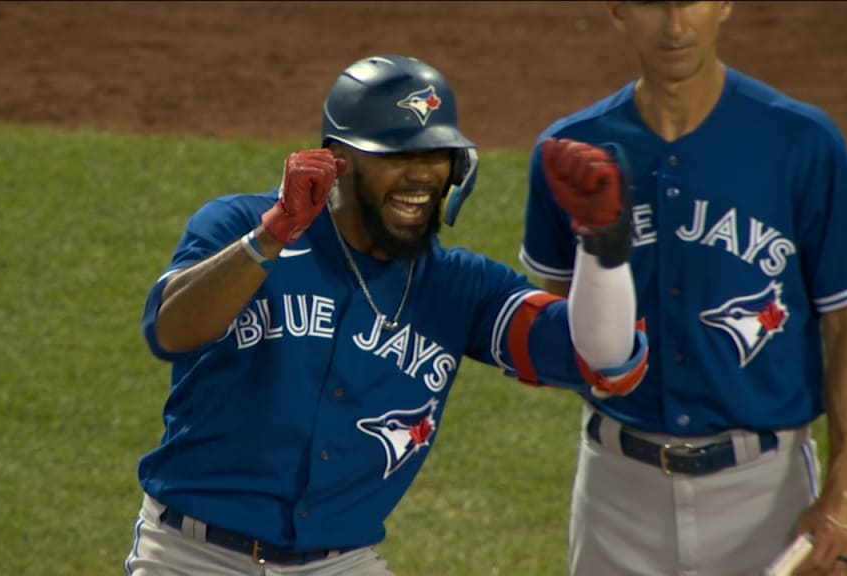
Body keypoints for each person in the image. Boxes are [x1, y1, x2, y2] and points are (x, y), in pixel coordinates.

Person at [123, 53, 649, 576]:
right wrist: (271, 236)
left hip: (340, 564)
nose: (420, 175)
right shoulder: (240, 226)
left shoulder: (462, 287)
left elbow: (603, 360)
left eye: (436, 154)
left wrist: (602, 247)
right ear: (336, 160)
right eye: (396, 154)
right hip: (193, 556)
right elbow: (170, 330)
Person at [520, 2, 847, 576]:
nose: (676, 26)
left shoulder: (801, 143)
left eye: (692, 1)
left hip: (768, 494)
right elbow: (557, 339)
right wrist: (595, 250)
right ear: (617, 10)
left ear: (724, 4)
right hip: (617, 496)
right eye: (654, 4)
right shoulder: (572, 152)